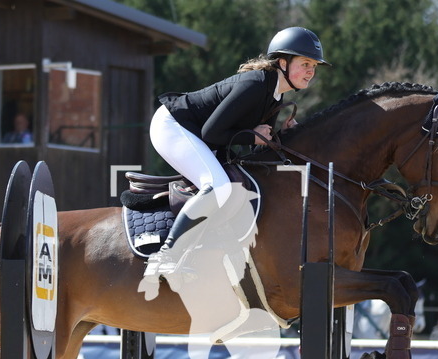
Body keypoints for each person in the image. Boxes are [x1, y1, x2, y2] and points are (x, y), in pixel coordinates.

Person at [140, 27, 328, 285]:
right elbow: (212, 132)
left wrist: (282, 136)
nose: (311, 71)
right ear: (283, 63)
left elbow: (257, 149)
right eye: (305, 64)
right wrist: (253, 136)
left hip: (197, 134)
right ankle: (165, 257)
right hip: (173, 125)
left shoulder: (276, 94)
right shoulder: (255, 84)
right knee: (218, 186)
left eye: (314, 66)